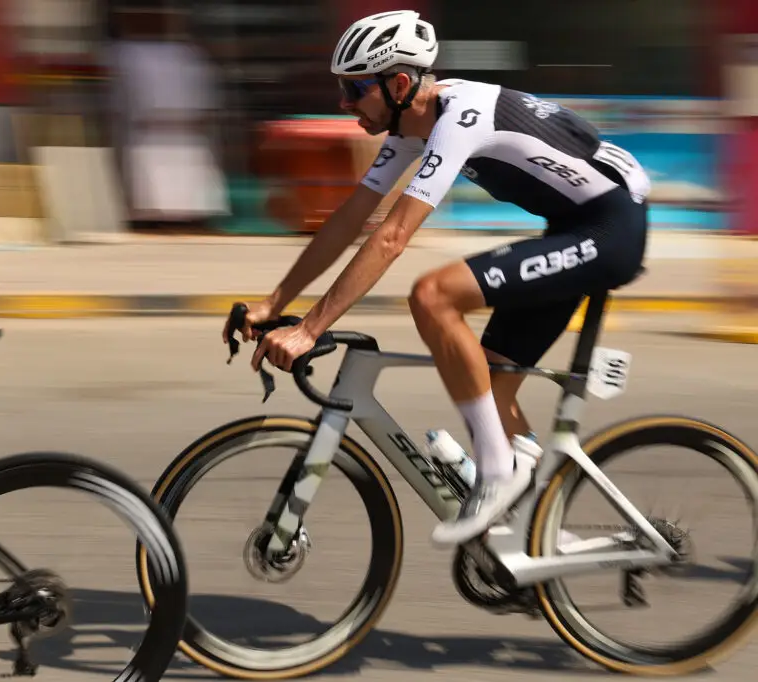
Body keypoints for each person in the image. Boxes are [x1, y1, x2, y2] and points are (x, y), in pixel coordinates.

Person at [224, 10, 651, 547]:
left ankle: (496, 476)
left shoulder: (459, 115)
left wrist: (310, 329)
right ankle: (538, 534)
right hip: (573, 227)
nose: (344, 103)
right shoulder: (409, 126)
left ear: (399, 84)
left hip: (609, 229)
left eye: (354, 89)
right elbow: (350, 220)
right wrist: (274, 301)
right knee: (489, 392)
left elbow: (391, 238)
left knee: (433, 295)